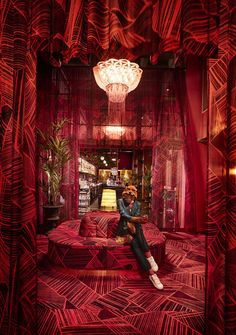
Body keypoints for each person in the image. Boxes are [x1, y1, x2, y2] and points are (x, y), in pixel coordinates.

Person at [116, 185, 164, 290]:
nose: (129, 198)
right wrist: (131, 212)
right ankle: (151, 269)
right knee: (137, 235)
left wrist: (137, 218)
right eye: (127, 196)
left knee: (136, 243)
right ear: (124, 195)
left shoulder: (137, 204)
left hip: (135, 229)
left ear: (134, 196)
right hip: (124, 230)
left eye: (131, 197)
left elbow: (137, 216)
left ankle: (151, 269)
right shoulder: (120, 201)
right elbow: (123, 215)